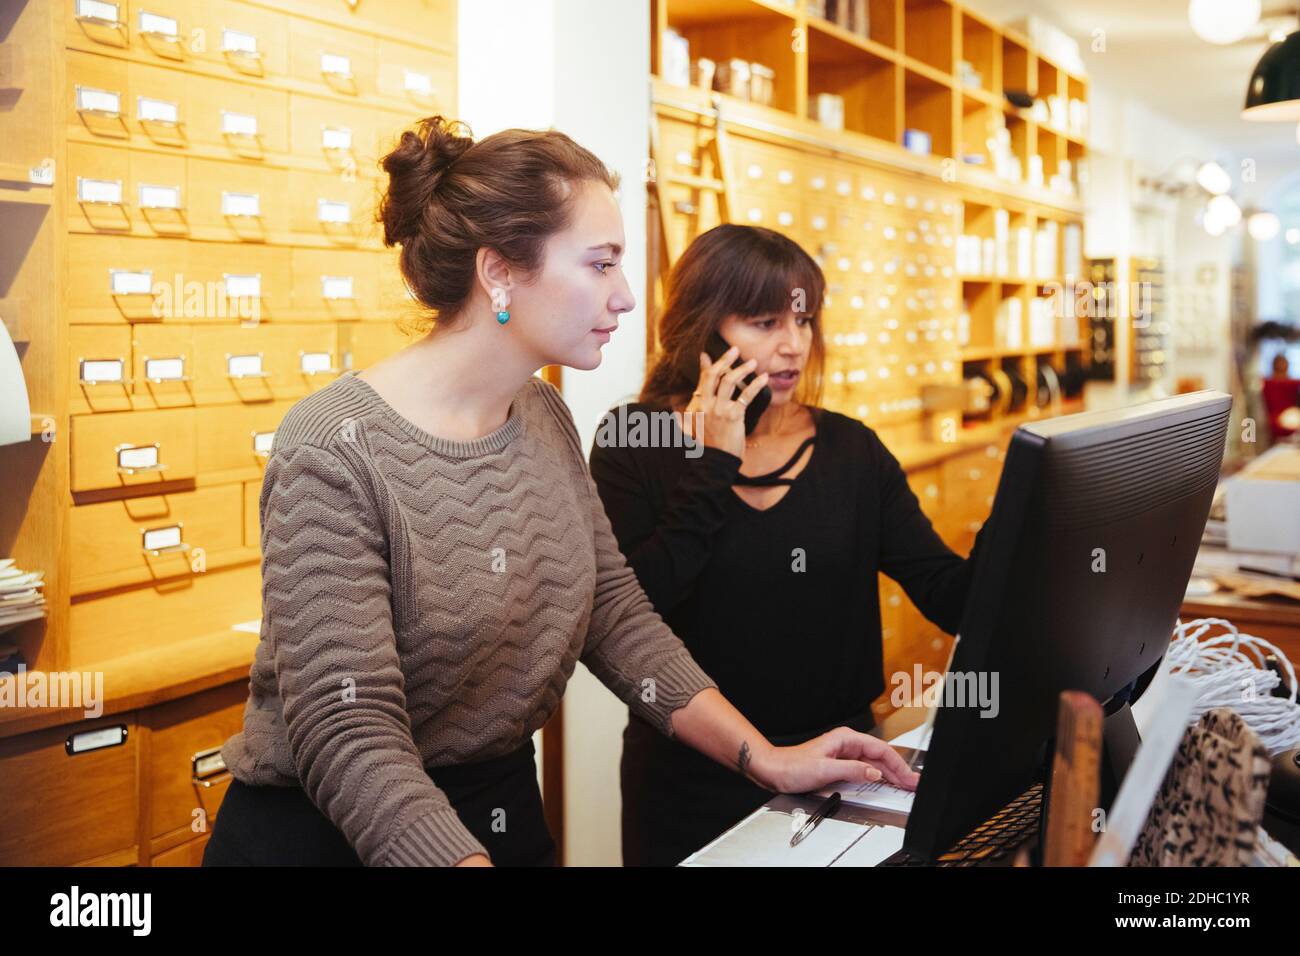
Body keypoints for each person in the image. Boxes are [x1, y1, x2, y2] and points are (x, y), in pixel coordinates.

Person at [202, 118, 917, 868]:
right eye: (601, 265)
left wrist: (764, 757)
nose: (628, 298)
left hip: (498, 813)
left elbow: (613, 612)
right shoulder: (333, 446)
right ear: (501, 272)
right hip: (331, 839)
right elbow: (349, 733)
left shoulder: (542, 414)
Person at [590, 224, 983, 866]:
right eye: (764, 322)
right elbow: (636, 609)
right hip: (691, 780)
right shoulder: (636, 440)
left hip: (838, 768)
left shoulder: (852, 451)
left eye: (803, 322)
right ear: (702, 328)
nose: (793, 345)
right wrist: (715, 462)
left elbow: (949, 596)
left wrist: (1022, 522)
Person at [1262, 352, 1300, 440]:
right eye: (1279, 364)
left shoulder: (1292, 383)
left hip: (1290, 415)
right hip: (1276, 419)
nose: (1282, 365)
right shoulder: (1267, 383)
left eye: (1283, 363)